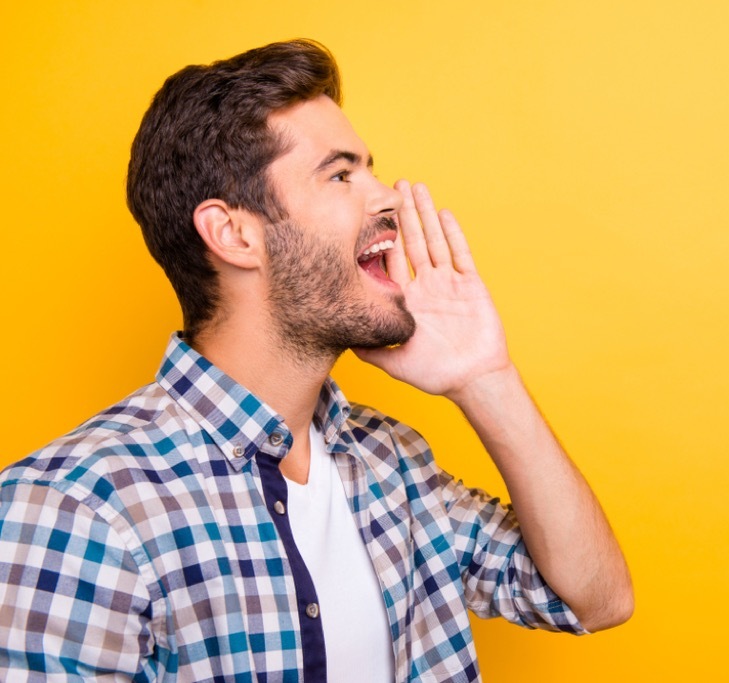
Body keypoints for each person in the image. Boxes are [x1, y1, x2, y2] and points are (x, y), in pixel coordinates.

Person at [0, 39, 632, 682]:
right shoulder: (75, 511)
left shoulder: (393, 464)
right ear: (234, 234)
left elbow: (594, 598)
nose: (386, 198)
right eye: (341, 174)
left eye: (370, 169)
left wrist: (485, 378)